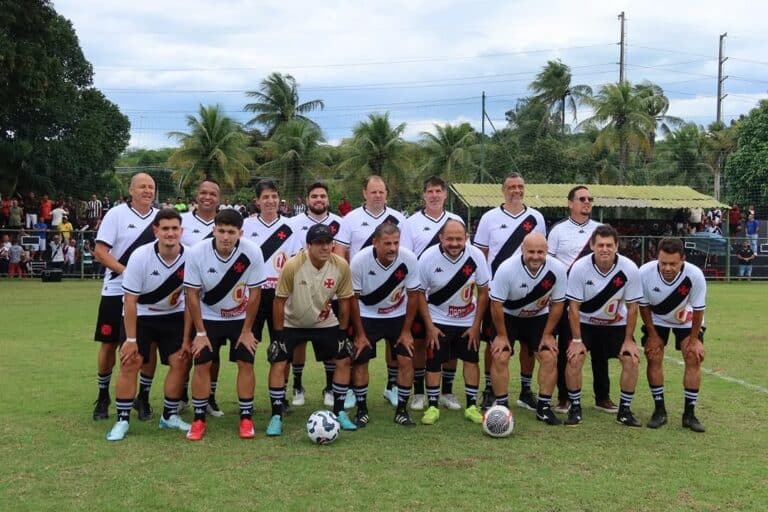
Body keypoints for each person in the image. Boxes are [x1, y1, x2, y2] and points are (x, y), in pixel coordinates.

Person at [105, 209, 192, 441]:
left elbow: (191, 301)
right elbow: (130, 301)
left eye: (175, 228)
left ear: (181, 231)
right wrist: (131, 340)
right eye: (165, 228)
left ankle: (169, 415)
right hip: (141, 315)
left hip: (173, 315)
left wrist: (186, 340)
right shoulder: (140, 256)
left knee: (181, 361)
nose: (170, 233)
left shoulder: (190, 257)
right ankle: (122, 420)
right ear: (156, 231)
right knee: (130, 362)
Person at [265, 224, 358, 435]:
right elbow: (278, 301)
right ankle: (276, 416)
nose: (325, 247)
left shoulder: (341, 265)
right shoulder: (293, 265)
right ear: (309, 245)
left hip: (324, 322)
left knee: (343, 358)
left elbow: (345, 301)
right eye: (319, 243)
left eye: (328, 242)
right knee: (279, 362)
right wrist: (278, 335)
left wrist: (343, 333)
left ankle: (340, 412)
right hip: (292, 322)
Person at [184, 209, 266, 441]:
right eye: (221, 231)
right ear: (214, 230)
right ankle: (199, 419)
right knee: (202, 363)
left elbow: (255, 292)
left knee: (245, 361)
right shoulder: (197, 252)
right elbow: (191, 294)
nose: (225, 237)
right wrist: (199, 333)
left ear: (240, 233)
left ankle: (246, 418)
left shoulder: (252, 251)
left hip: (240, 319)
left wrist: (248, 330)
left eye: (231, 232)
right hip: (208, 318)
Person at [472, 172, 546, 411]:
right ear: (503, 190)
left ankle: (525, 391)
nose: (517, 191)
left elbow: (541, 253)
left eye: (520, 187)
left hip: (530, 296)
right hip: (497, 295)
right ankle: (489, 390)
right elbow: (480, 255)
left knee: (527, 345)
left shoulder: (536, 218)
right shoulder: (489, 218)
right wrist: (481, 286)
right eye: (512, 187)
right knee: (494, 344)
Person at [91, 173, 159, 422]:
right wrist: (126, 272)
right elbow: (100, 251)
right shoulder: (116, 214)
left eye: (151, 187)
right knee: (108, 344)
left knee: (147, 346)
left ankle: (143, 397)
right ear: (131, 190)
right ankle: (102, 396)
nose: (147, 191)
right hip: (116, 290)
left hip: (147, 294)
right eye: (142, 186)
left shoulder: (159, 218)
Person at [334, 175, 407, 406]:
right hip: (360, 295)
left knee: (394, 347)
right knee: (359, 344)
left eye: (381, 192)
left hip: (393, 294)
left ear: (387, 193)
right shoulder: (350, 219)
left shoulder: (399, 219)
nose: (377, 196)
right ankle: (355, 390)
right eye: (373, 192)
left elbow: (405, 254)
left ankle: (391, 386)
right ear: (364, 193)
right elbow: (340, 254)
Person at [564, 224, 644, 428]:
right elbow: (573, 307)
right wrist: (576, 341)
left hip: (615, 325)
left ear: (617, 246)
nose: (605, 249)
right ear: (592, 245)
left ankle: (624, 410)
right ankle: (575, 407)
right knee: (574, 358)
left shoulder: (629, 268)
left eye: (609, 245)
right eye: (600, 245)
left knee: (631, 359)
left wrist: (628, 340)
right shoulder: (580, 268)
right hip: (585, 323)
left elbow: (632, 308)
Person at [547, 185, 615, 414]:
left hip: (598, 297)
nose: (587, 202)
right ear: (570, 203)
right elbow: (551, 265)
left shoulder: (601, 230)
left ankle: (602, 396)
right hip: (568, 299)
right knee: (569, 347)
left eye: (590, 199)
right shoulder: (558, 231)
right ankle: (564, 397)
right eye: (582, 198)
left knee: (600, 350)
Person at [489, 233, 568, 425]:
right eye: (531, 251)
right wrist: (500, 335)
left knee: (549, 356)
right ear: (522, 250)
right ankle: (502, 406)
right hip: (507, 315)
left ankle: (543, 408)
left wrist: (548, 334)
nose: (535, 256)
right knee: (501, 355)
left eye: (540, 252)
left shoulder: (557, 269)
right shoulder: (507, 268)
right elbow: (496, 304)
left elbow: (558, 304)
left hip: (537, 317)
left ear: (547, 251)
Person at [417, 219, 490, 425]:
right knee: (433, 362)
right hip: (437, 319)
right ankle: (432, 406)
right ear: (441, 238)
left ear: (466, 238)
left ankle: (471, 406)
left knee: (471, 360)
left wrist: (476, 326)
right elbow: (420, 293)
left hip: (467, 320)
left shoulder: (475, 255)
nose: (455, 243)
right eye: (450, 238)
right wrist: (429, 326)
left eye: (459, 238)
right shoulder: (428, 257)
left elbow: (484, 293)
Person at [400, 176, 463, 411]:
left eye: (439, 191)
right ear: (424, 195)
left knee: (450, 345)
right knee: (418, 343)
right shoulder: (411, 223)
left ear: (445, 194)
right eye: (430, 191)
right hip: (419, 293)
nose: (434, 195)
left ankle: (447, 391)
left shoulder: (455, 220)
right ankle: (418, 393)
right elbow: (405, 257)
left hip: (451, 294)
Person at [350, 223, 420, 427]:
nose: (392, 248)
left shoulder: (408, 259)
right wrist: (360, 334)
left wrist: (406, 331)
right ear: (375, 242)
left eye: (396, 243)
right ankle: (361, 409)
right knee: (361, 360)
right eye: (387, 243)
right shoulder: (360, 260)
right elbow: (353, 299)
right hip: (367, 314)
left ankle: (402, 411)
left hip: (397, 316)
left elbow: (414, 295)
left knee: (406, 360)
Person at [639, 237, 708, 432]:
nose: (667, 268)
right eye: (663, 263)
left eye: (673, 264)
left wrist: (694, 341)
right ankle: (659, 410)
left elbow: (698, 309)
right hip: (657, 319)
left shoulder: (694, 275)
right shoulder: (644, 272)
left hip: (686, 319)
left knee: (693, 357)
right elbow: (643, 307)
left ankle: (689, 413)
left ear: (683, 260)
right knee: (653, 355)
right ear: (657, 259)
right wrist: (652, 335)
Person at [287, 182, 343, 407]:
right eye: (314, 196)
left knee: (330, 343)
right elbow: (291, 257)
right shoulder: (293, 224)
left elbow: (341, 257)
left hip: (331, 292)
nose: (318, 199)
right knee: (299, 343)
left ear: (328, 199)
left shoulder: (340, 223)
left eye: (322, 196)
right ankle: (298, 386)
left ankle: (329, 387)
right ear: (307, 199)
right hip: (301, 292)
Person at [180, 179, 221, 414]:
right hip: (186, 298)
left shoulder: (225, 223)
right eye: (203, 192)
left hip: (216, 301)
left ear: (219, 197)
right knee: (186, 349)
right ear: (197, 195)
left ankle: (210, 397)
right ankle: (183, 395)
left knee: (212, 353)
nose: (207, 197)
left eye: (213, 193)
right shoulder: (183, 221)